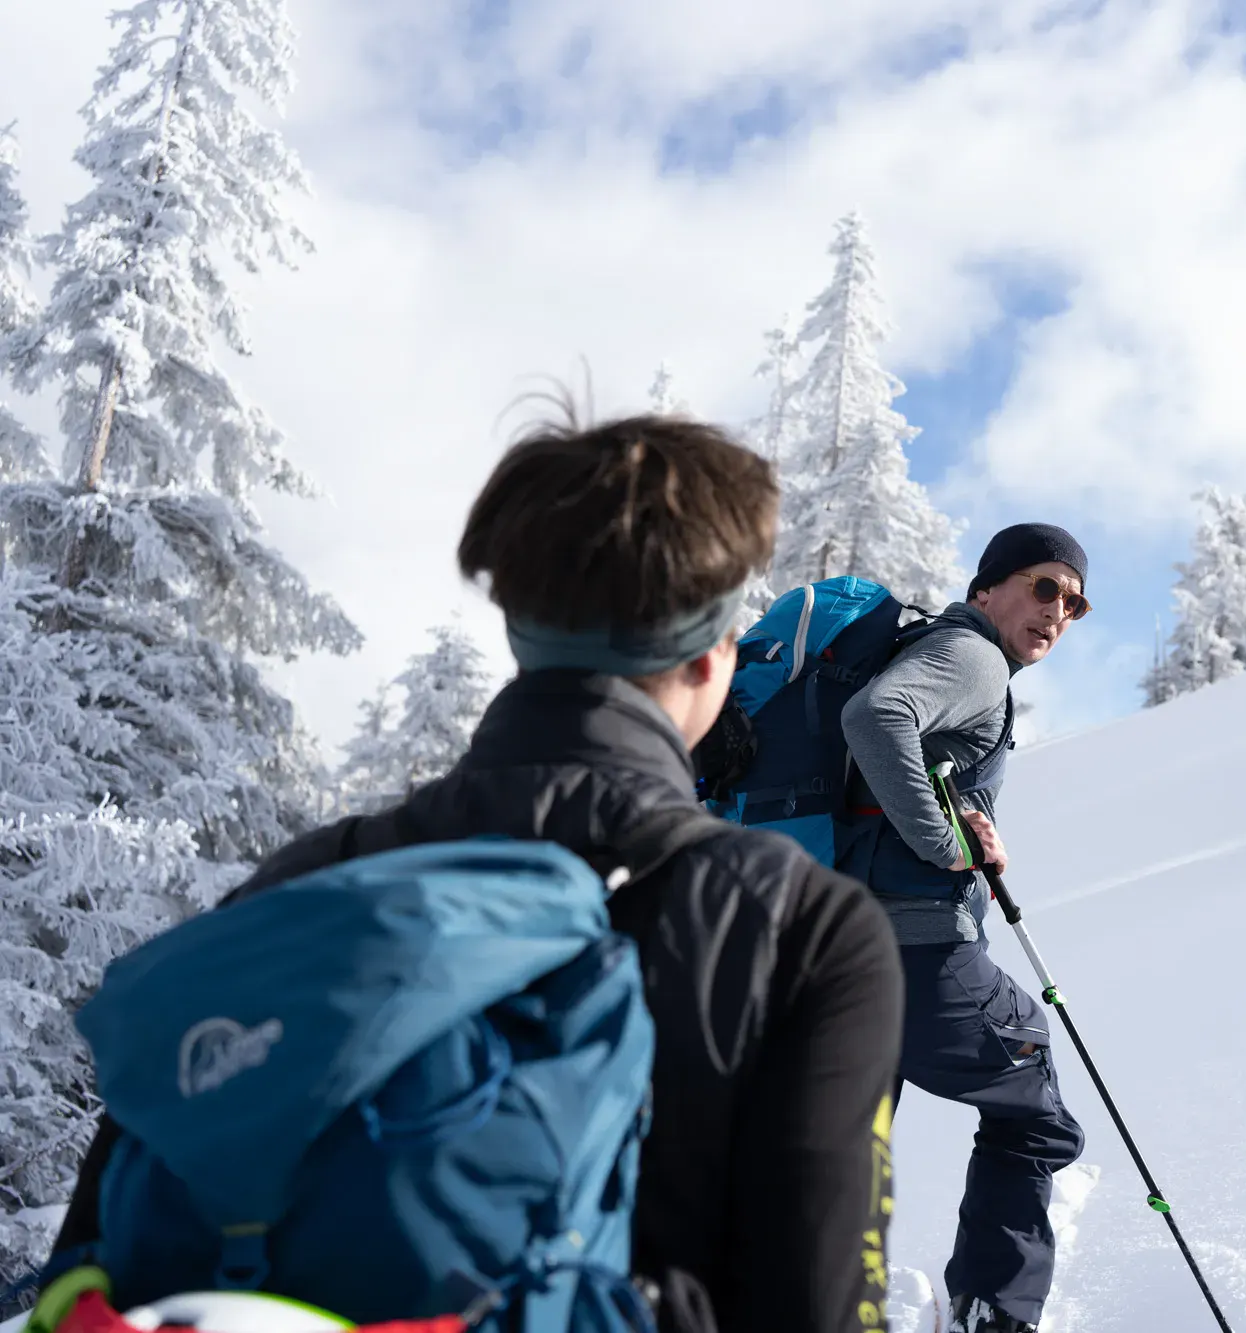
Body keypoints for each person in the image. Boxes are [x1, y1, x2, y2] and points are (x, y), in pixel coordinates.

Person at [52, 410, 905, 1333]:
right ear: (712, 656)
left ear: (521, 633)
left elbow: (90, 1257)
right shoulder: (804, 924)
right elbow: (822, 1305)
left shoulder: (306, 878)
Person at [838, 524, 1092, 1333]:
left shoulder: (944, 655)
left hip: (835, 956)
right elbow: (876, 717)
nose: (1060, 610)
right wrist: (948, 844)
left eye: (1076, 601)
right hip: (918, 956)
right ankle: (993, 1313)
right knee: (1034, 1114)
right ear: (986, 589)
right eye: (1044, 586)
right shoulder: (974, 655)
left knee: (844, 1147)